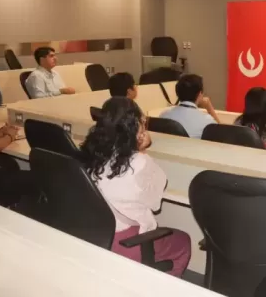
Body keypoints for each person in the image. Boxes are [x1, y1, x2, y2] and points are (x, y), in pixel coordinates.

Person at [79, 97, 191, 277]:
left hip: (94, 235)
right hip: (126, 242)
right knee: (183, 241)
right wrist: (141, 150)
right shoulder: (139, 162)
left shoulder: (92, 156)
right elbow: (155, 204)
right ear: (135, 127)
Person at [161, 74, 220, 138]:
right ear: (200, 94)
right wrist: (209, 107)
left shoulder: (164, 116)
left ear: (177, 93)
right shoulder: (207, 121)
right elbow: (221, 134)